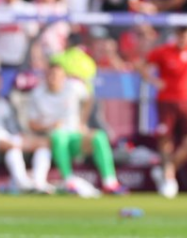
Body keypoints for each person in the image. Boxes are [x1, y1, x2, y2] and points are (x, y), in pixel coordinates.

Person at [27, 62, 127, 197]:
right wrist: (49, 126)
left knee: (98, 136)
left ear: (64, 77)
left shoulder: (74, 87)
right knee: (58, 136)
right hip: (52, 140)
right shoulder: (37, 94)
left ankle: (110, 182)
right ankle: (68, 181)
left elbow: (89, 99)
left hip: (75, 137)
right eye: (50, 75)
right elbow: (32, 124)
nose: (53, 78)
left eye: (56, 75)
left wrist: (82, 122)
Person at [138, 26, 187, 198]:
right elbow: (142, 66)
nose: (184, 39)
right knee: (166, 140)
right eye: (181, 36)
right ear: (176, 36)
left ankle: (166, 169)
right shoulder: (163, 52)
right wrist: (154, 81)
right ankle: (169, 178)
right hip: (166, 101)